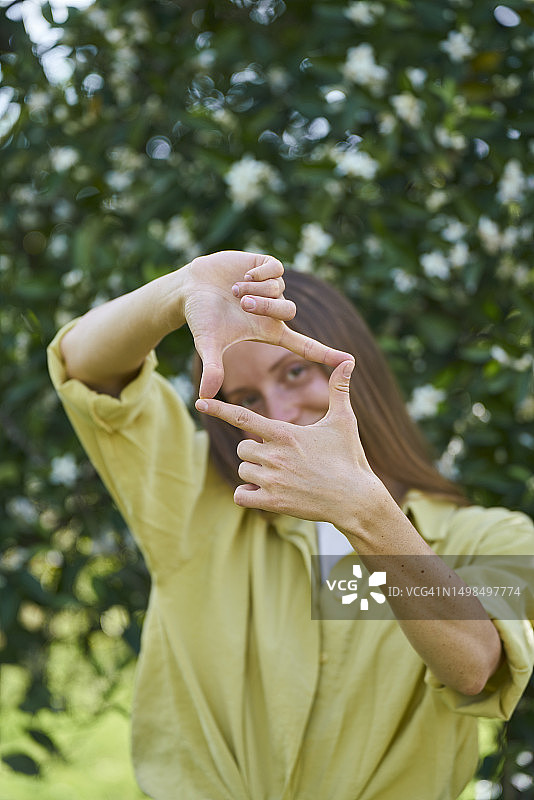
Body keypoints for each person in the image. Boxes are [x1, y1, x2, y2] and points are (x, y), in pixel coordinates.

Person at [47, 250, 534, 800]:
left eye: (295, 370)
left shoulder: (490, 537)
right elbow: (86, 370)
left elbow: (476, 664)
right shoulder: (196, 501)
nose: (277, 414)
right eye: (246, 398)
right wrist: (176, 292)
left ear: (356, 369)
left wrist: (363, 511)